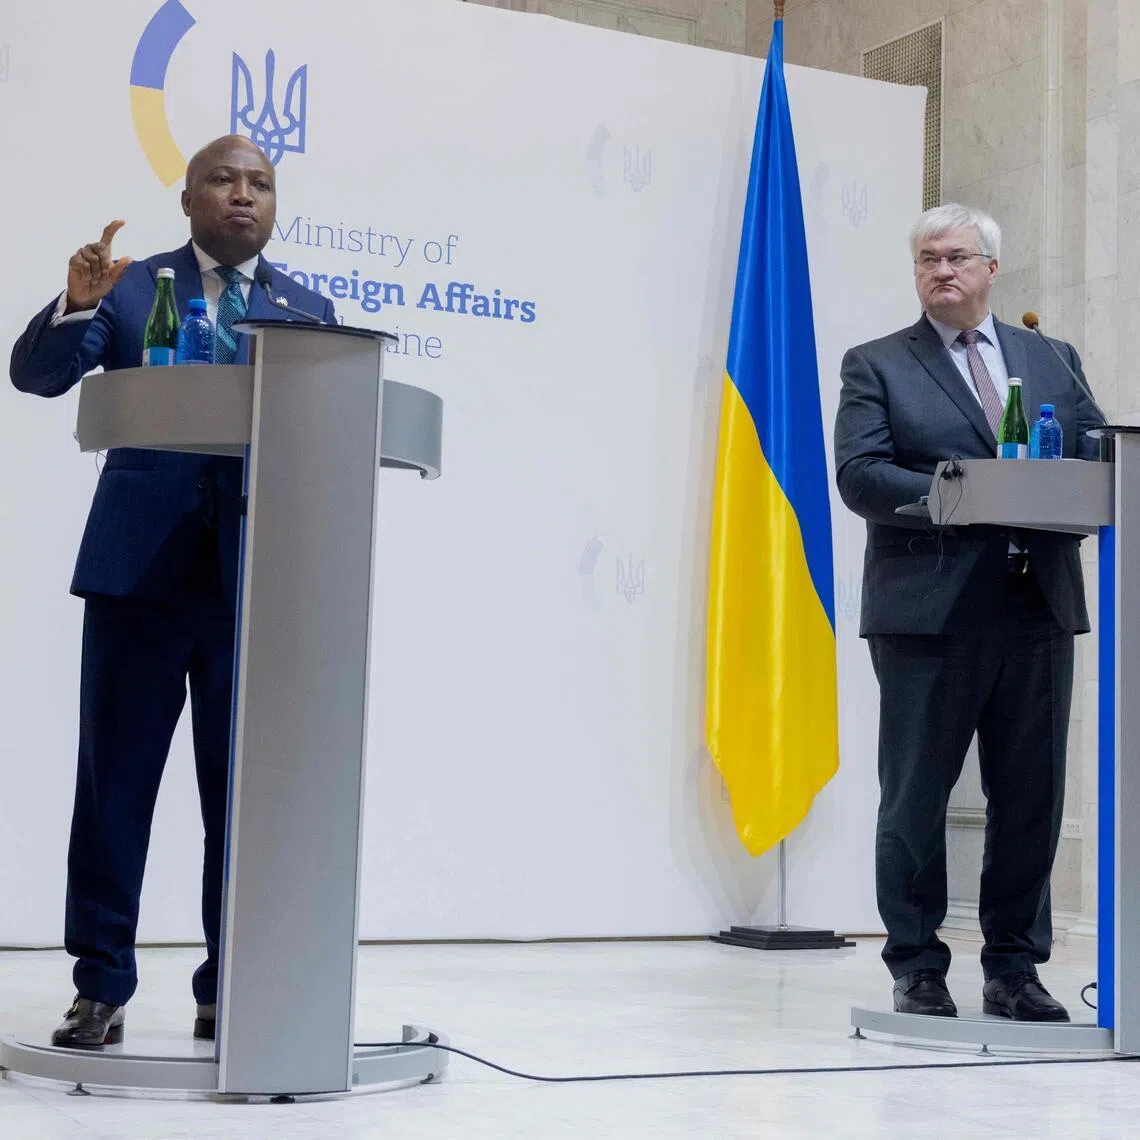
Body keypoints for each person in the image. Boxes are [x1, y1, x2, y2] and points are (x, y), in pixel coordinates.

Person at [10, 135, 336, 1049]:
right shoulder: (127, 289)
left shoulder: (308, 311)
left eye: (261, 183)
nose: (244, 194)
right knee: (115, 791)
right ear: (188, 199)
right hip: (138, 577)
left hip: (254, 587)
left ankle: (230, 986)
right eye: (223, 180)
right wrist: (77, 304)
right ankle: (100, 985)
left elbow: (323, 439)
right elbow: (37, 377)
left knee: (241, 802)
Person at [833, 203, 1101, 1023]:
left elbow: (1095, 451)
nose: (940, 270)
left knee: (1030, 799)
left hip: (1036, 604)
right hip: (929, 613)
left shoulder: (1050, 357)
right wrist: (964, 496)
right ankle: (917, 966)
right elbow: (860, 475)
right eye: (927, 259)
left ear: (991, 268)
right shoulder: (878, 363)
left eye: (955, 257)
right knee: (915, 796)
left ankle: (1014, 971)